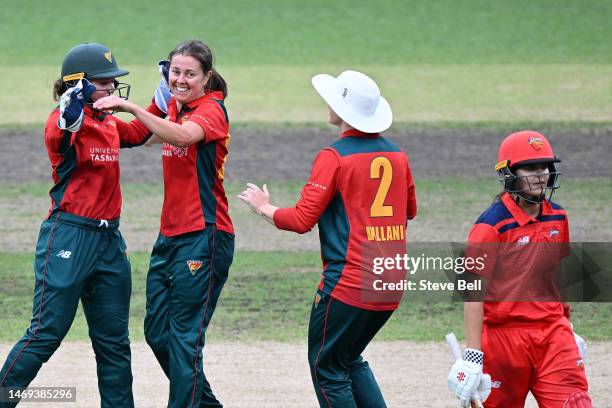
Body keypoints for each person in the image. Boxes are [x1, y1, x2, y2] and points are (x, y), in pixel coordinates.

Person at [238, 70, 417, 407]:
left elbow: (301, 220)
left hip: (348, 282)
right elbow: (408, 211)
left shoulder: (334, 157)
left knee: (326, 367)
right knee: (348, 359)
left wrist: (264, 207)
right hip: (392, 279)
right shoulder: (398, 155)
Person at [0, 42, 164, 407]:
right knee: (46, 332)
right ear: (81, 84)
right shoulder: (64, 122)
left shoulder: (106, 122)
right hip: (69, 235)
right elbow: (64, 125)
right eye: (105, 81)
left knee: (114, 342)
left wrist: (166, 91)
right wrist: (72, 101)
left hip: (109, 242)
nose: (113, 88)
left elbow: (138, 133)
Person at [93, 39, 234, 408]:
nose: (181, 79)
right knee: (158, 334)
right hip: (170, 237)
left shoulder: (212, 110)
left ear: (206, 78)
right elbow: (140, 136)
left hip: (205, 236)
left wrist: (129, 105)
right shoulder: (174, 105)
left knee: (185, 340)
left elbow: (184, 136)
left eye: (190, 73)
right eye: (175, 72)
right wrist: (96, 117)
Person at [447, 131, 591, 407]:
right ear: (509, 173)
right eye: (531, 168)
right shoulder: (490, 226)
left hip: (553, 334)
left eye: (545, 167)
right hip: (503, 340)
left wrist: (567, 324)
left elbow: (557, 275)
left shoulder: (558, 217)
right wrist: (474, 355)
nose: (541, 175)